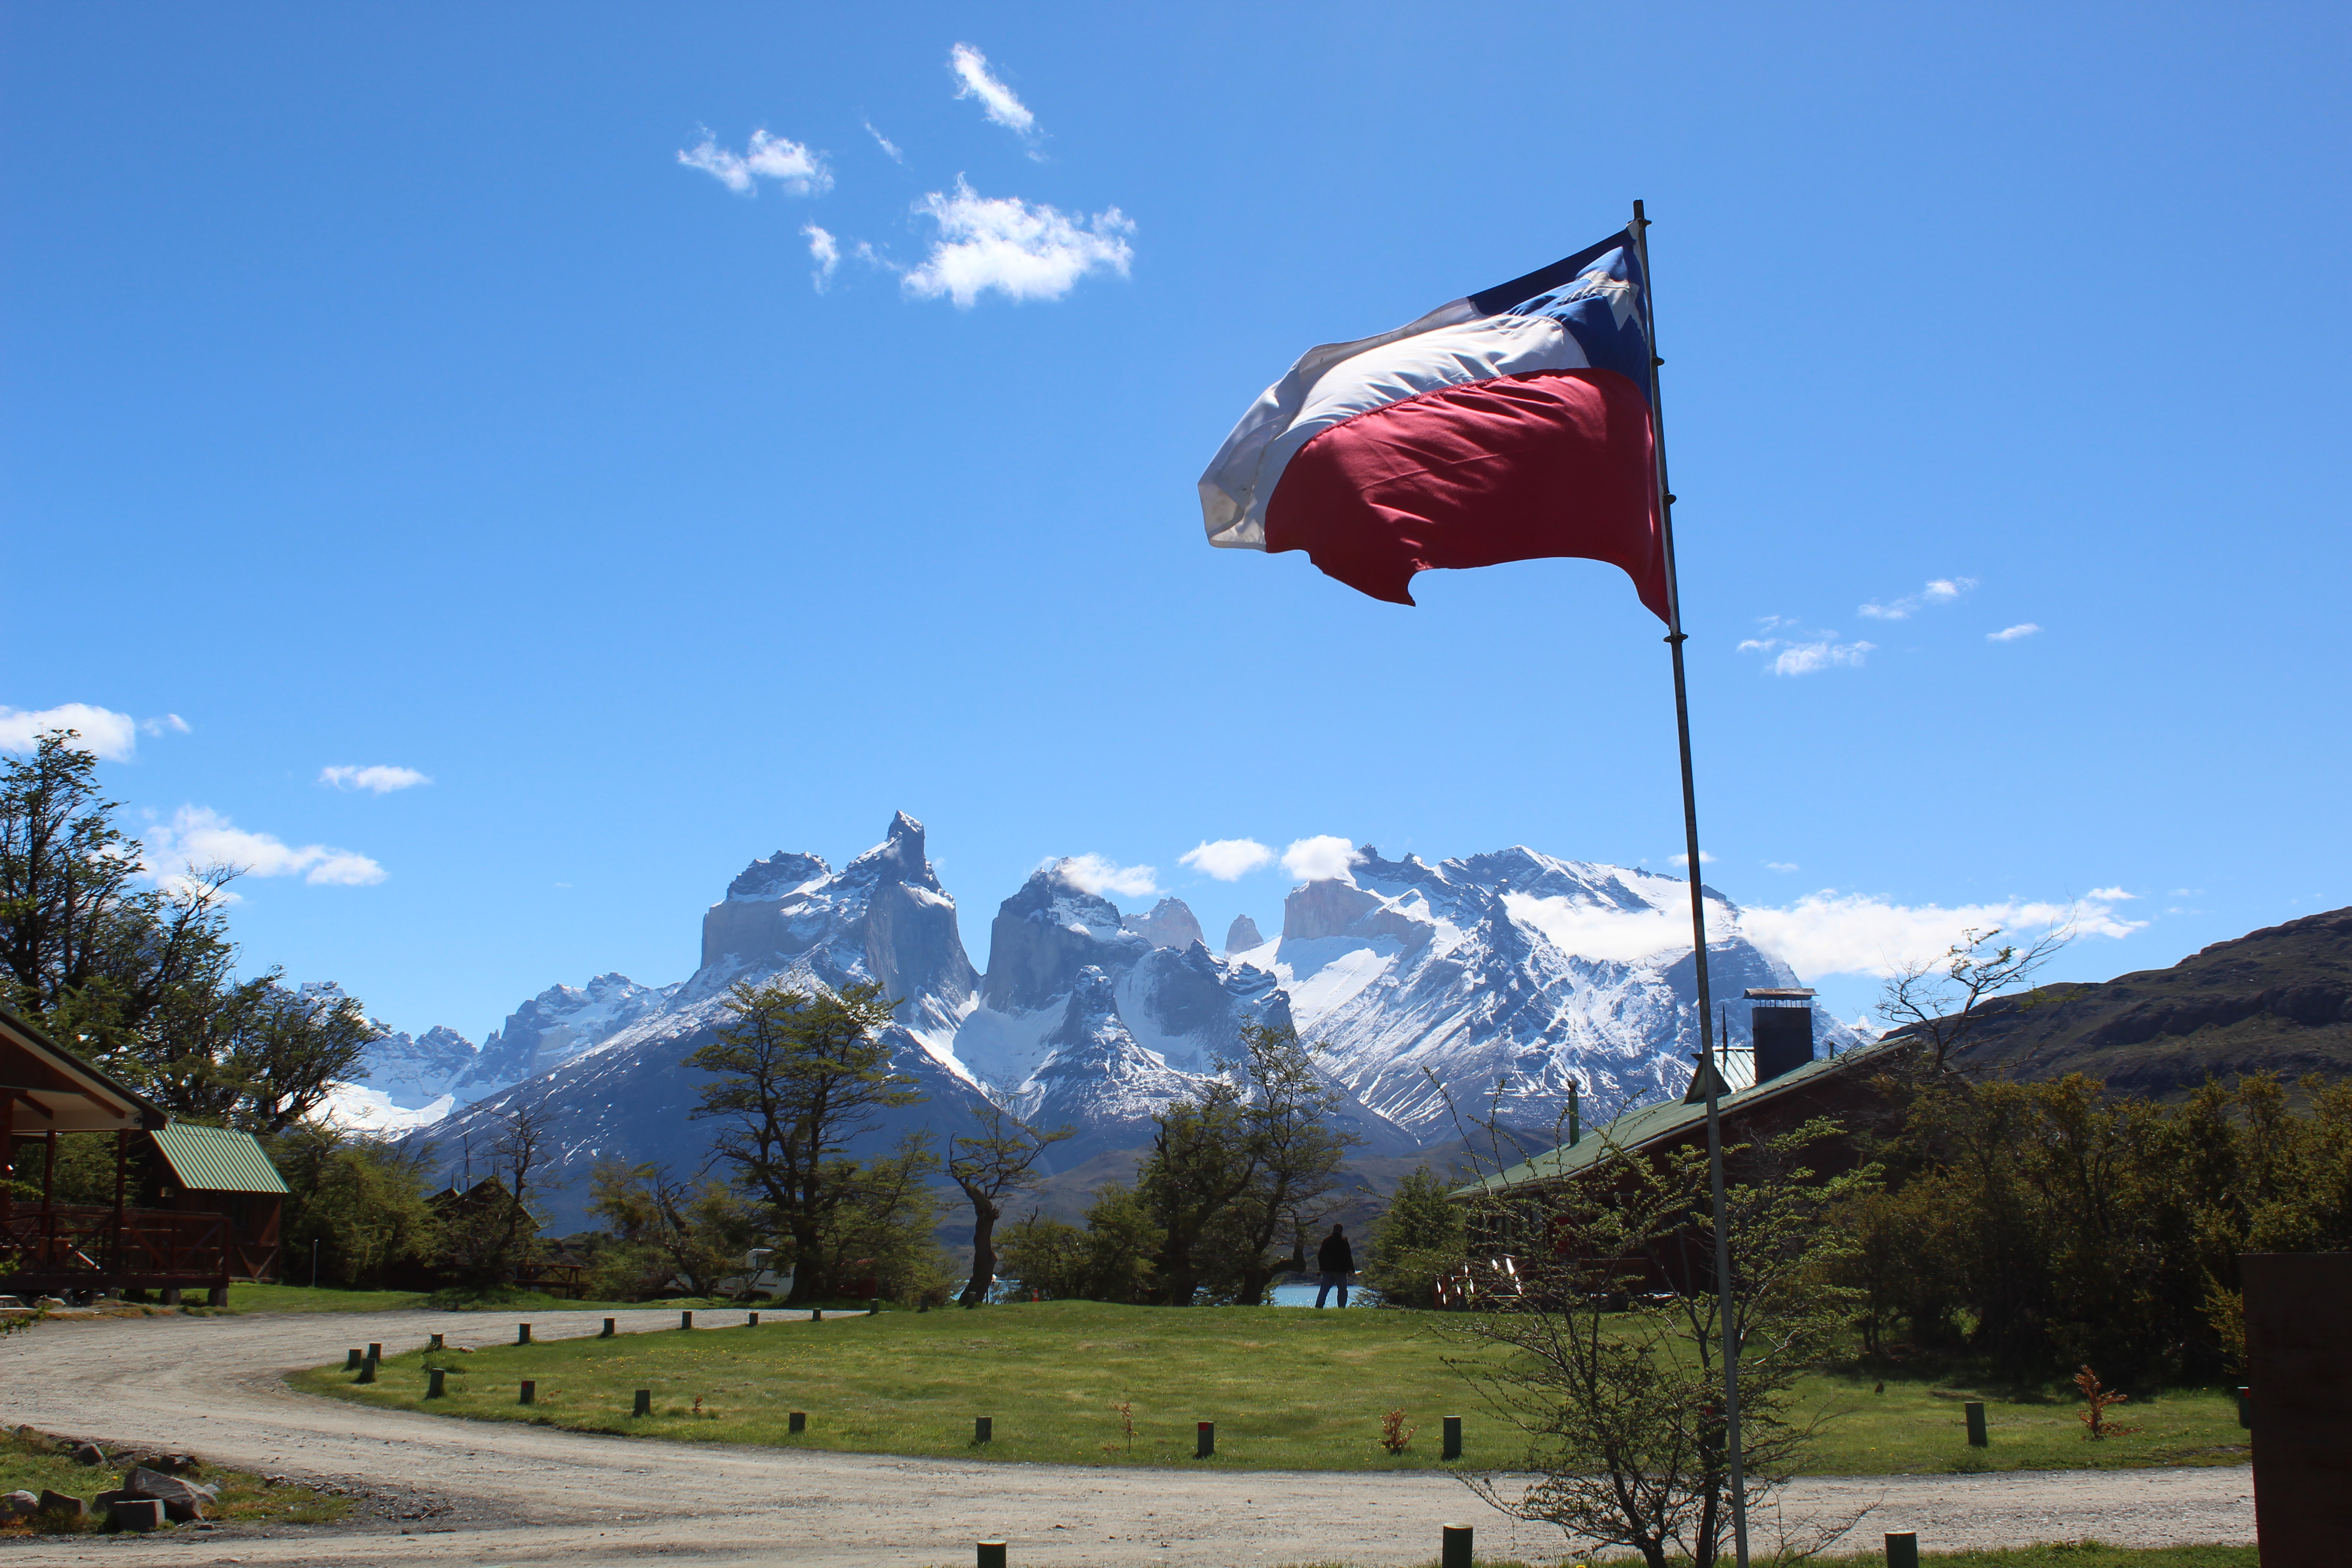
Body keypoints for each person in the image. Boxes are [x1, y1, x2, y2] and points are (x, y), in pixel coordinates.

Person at [1314, 1222, 1354, 1308]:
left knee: (1324, 1288)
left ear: (1334, 1230)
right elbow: (1348, 1256)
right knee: (1342, 1290)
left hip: (1327, 1270)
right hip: (1341, 1271)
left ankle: (1319, 1305)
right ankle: (1341, 1307)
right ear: (1341, 1231)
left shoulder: (1326, 1241)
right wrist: (1350, 1269)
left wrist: (1322, 1268)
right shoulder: (1344, 1241)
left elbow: (1320, 1256)